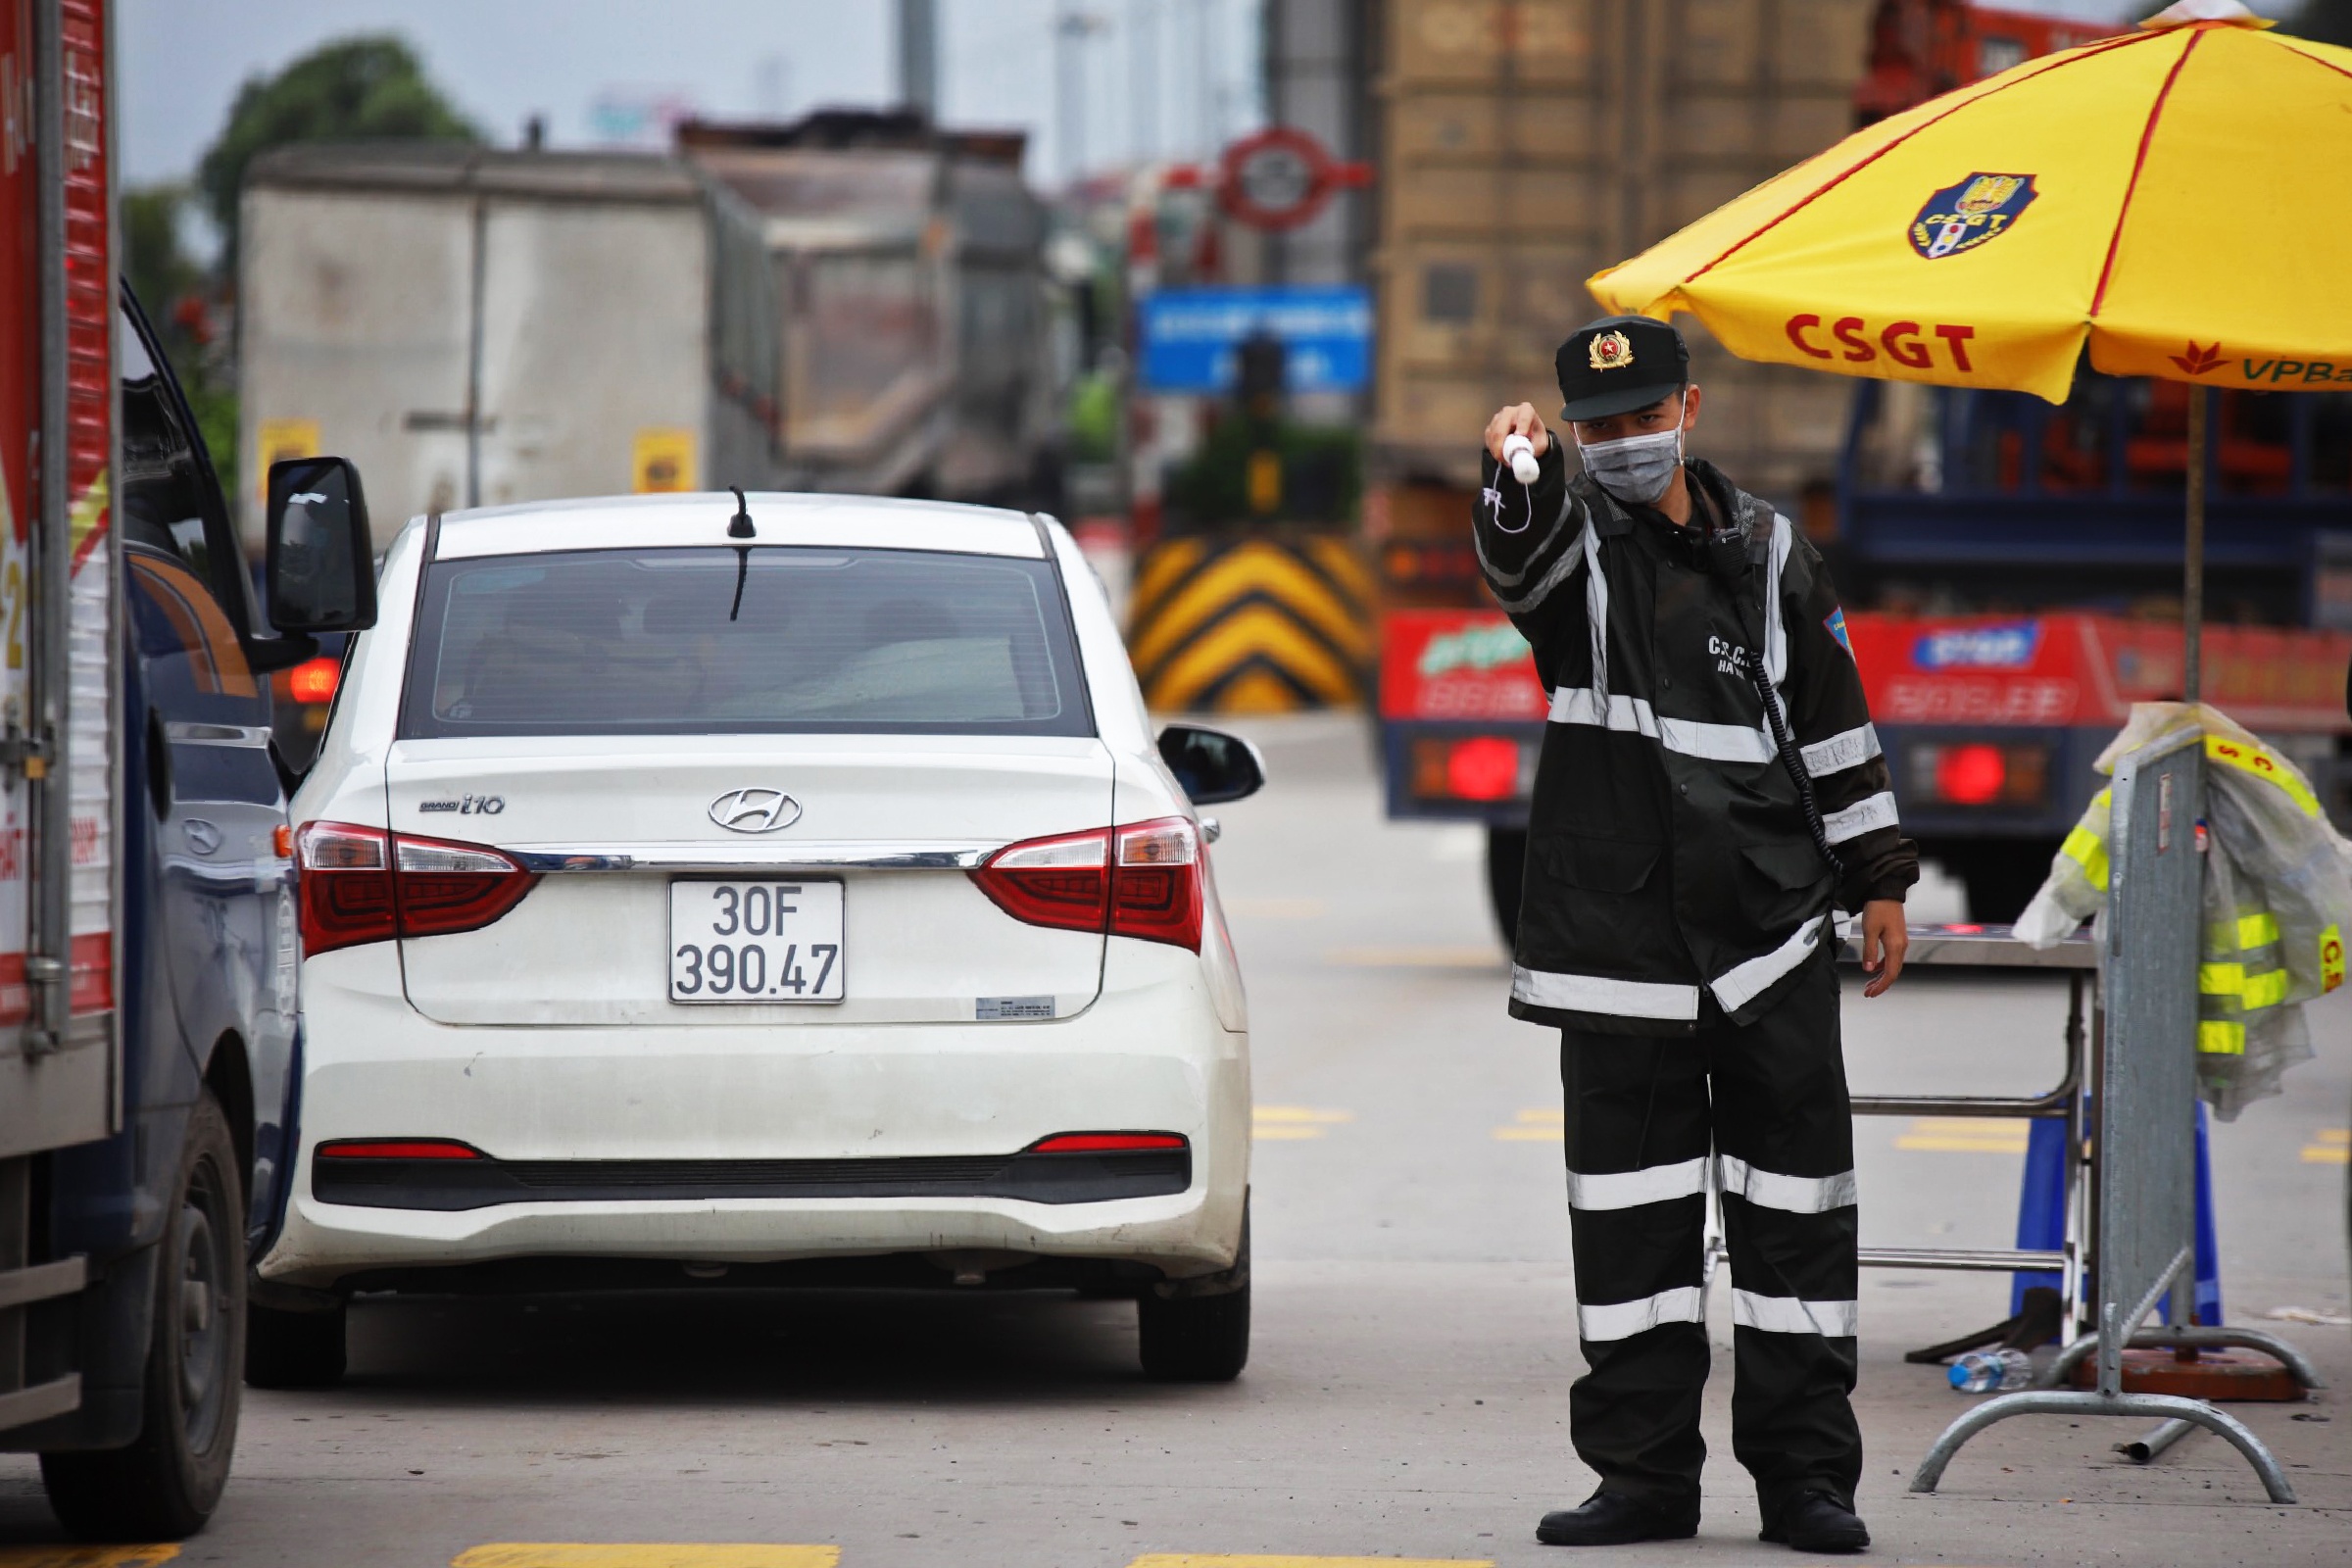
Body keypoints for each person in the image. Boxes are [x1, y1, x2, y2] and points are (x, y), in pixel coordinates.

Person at [1475, 316, 1917, 1554]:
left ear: (1691, 410)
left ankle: (1807, 1485)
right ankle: (1643, 1479)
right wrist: (1516, 478)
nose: (1623, 442)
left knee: (1795, 1220)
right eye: (1596, 427)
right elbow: (1522, 564)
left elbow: (1834, 719)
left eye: (1641, 418)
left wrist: (1878, 871)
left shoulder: (1775, 554)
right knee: (1631, 1228)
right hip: (1619, 959)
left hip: (1769, 938)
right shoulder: (1580, 558)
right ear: (1573, 434)